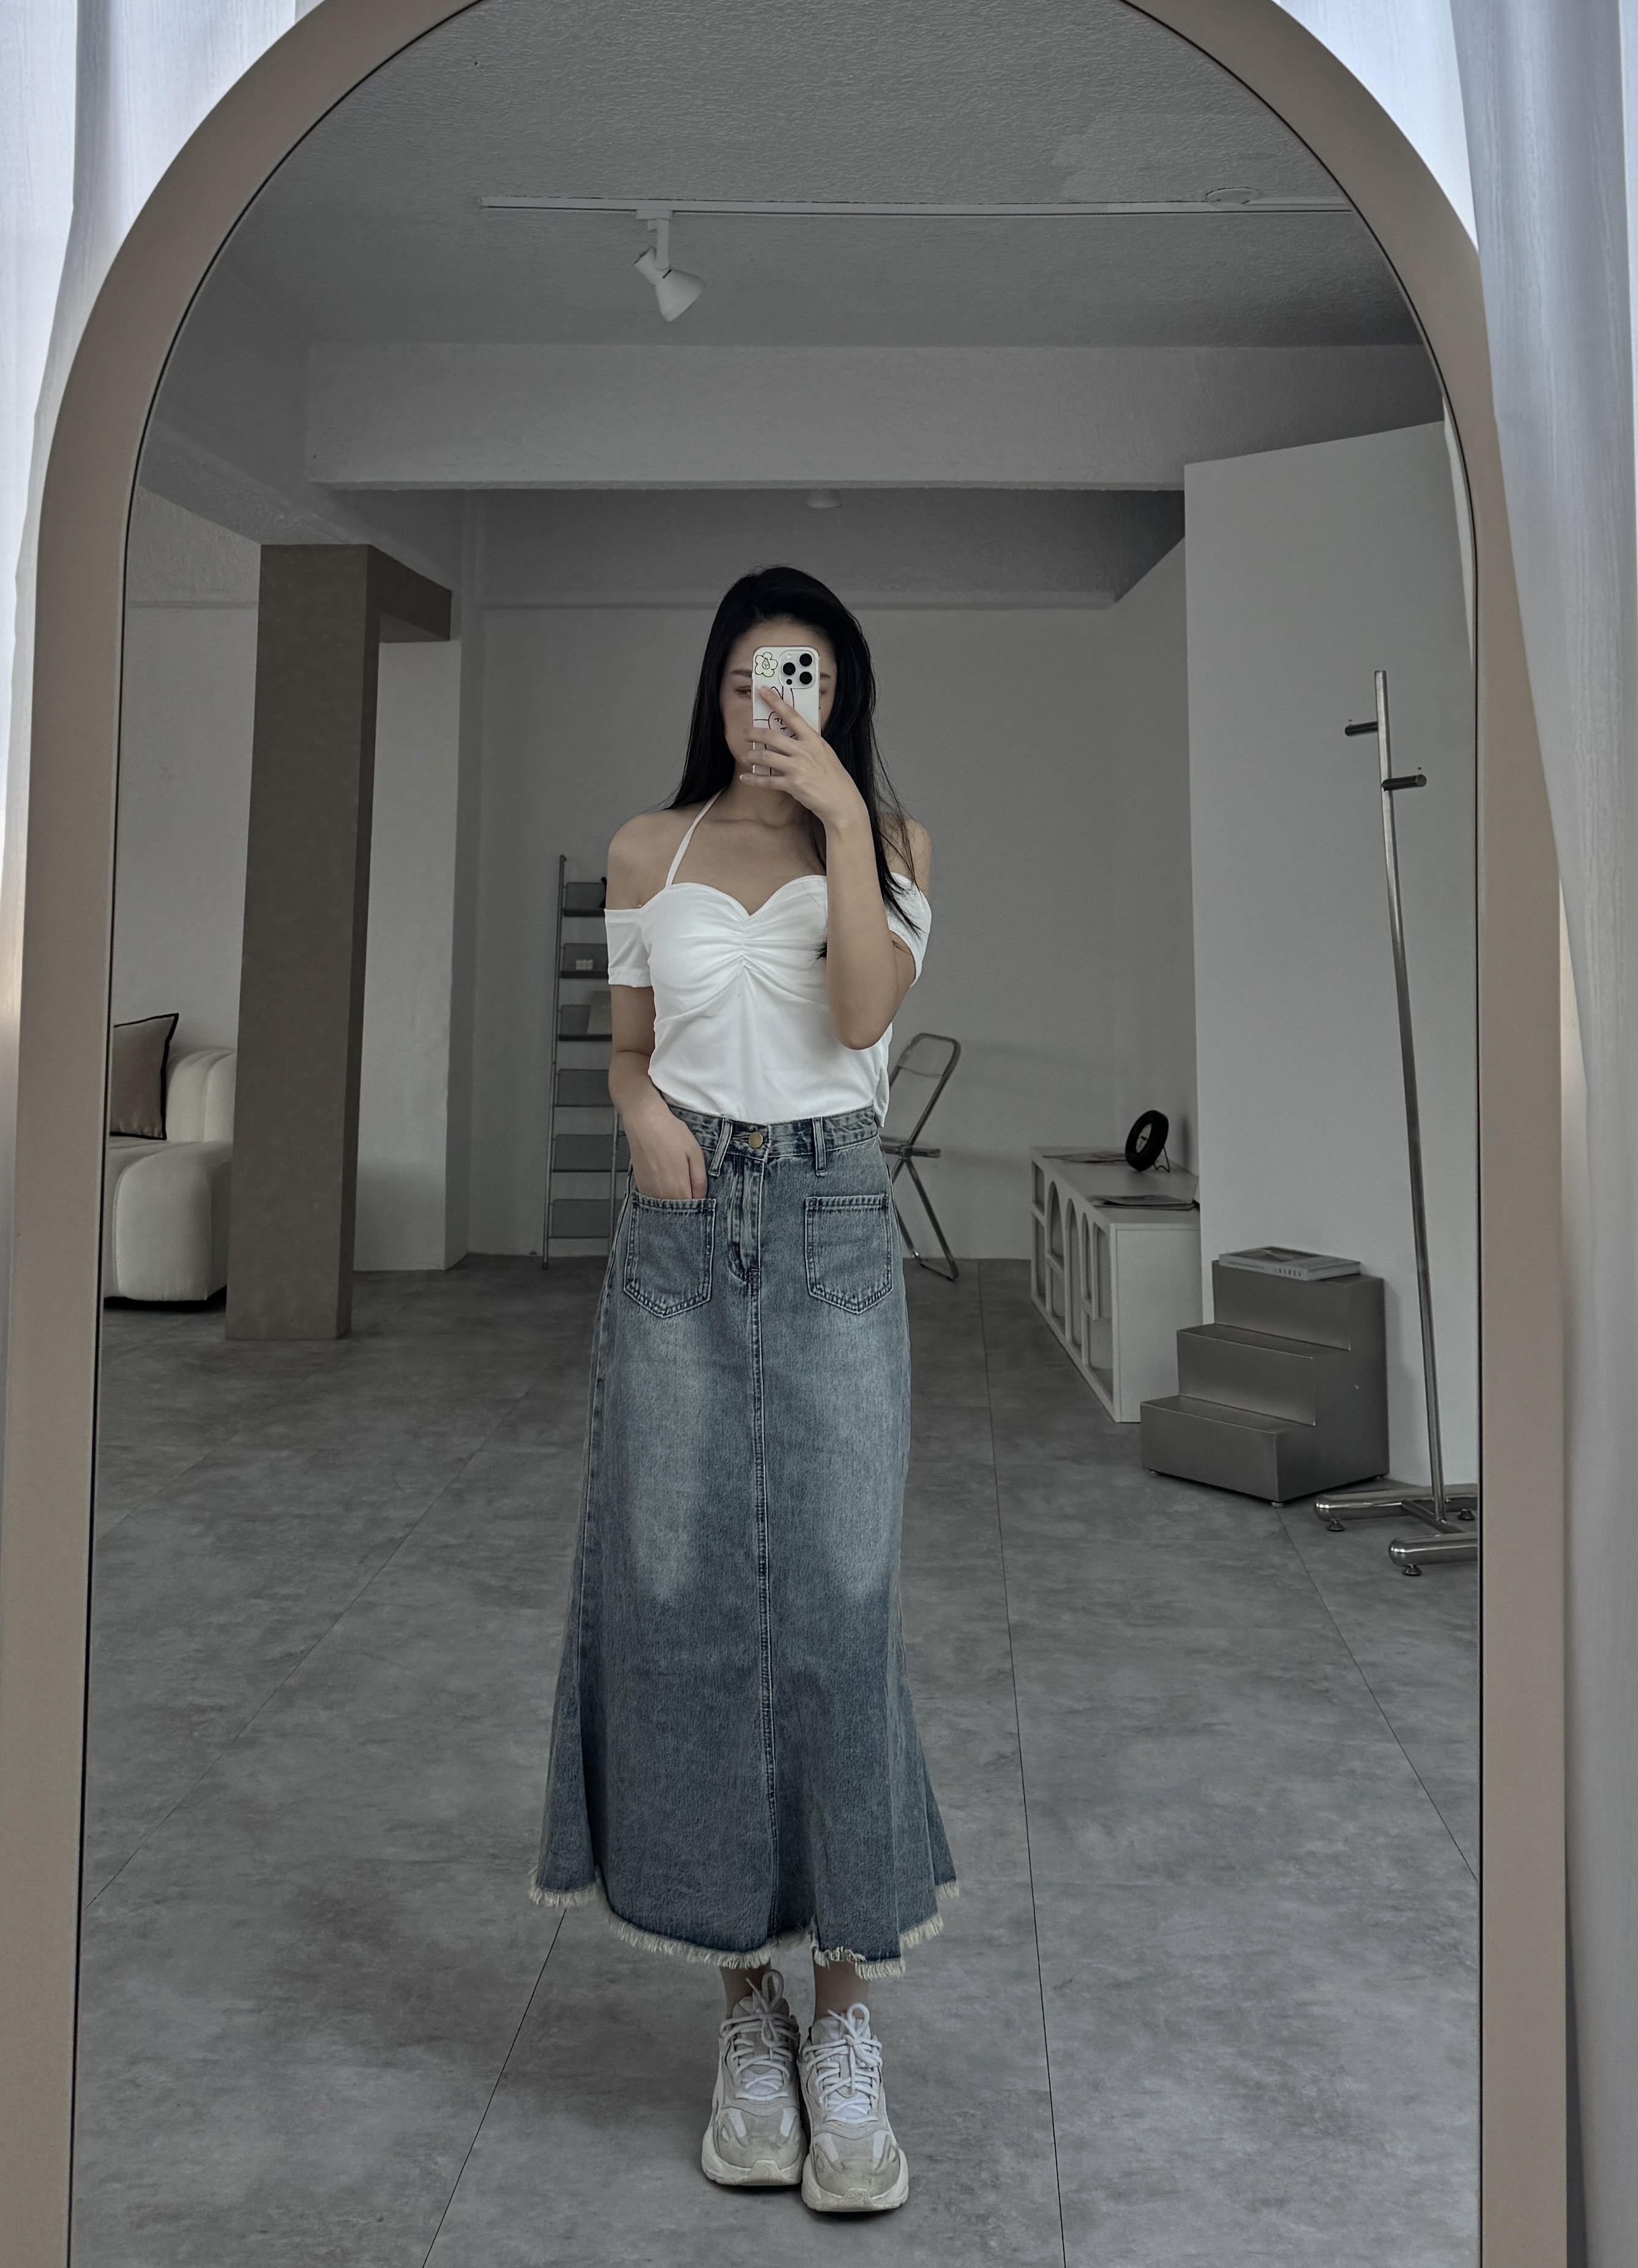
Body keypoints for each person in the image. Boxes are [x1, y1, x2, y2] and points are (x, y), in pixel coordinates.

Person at [531, 565, 956, 2215]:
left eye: (802, 677)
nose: (768, 704)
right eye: (744, 679)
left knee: (840, 1608)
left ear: (840, 695)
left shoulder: (893, 847)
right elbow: (629, 1044)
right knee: (682, 1602)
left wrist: (842, 817)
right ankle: (744, 2013)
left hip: (835, 1219)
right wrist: (639, 1108)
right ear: (713, 695)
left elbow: (857, 1013)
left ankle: (844, 2012)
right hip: (682, 1229)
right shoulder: (650, 849)